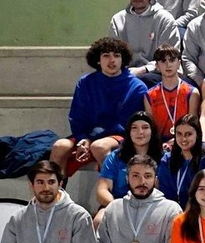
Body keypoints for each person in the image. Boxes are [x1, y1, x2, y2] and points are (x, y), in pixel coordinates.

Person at [51, 38, 149, 175]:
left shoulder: (137, 87)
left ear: (123, 59)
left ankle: (112, 191)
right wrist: (83, 138)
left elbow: (129, 125)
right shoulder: (85, 83)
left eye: (116, 55)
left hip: (120, 137)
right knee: (59, 146)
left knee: (99, 146)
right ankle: (56, 193)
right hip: (89, 135)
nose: (112, 60)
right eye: (106, 55)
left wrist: (95, 138)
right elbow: (77, 116)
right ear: (98, 59)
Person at [94, 111, 165, 229]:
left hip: (152, 205)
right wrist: (119, 208)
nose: (140, 132)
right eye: (134, 128)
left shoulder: (164, 158)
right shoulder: (116, 157)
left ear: (152, 132)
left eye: (145, 127)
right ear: (129, 132)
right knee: (99, 221)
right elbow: (102, 191)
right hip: (119, 204)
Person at [111, 0, 181, 85]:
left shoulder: (165, 19)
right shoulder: (118, 20)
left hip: (158, 72)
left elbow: (169, 57)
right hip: (125, 72)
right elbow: (113, 54)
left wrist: (142, 70)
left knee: (144, 80)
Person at [158, 115, 205, 207]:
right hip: (172, 212)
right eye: (179, 134)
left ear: (197, 135)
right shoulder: (167, 160)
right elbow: (163, 193)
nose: (183, 139)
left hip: (201, 212)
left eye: (188, 134)